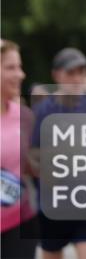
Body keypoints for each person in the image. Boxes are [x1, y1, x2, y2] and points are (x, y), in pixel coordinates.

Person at [30, 48, 86, 259]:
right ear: (56, 75)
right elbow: (32, 154)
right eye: (70, 73)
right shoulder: (43, 110)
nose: (76, 78)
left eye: (81, 72)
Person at [1, 40, 39, 259]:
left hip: (19, 222)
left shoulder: (24, 116)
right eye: (10, 68)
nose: (21, 74)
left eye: (20, 67)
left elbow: (26, 166)